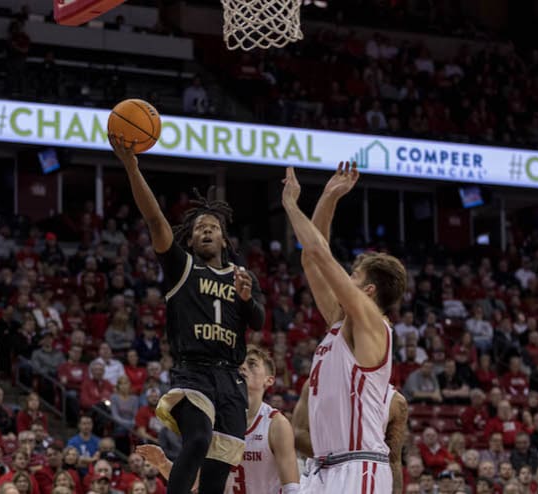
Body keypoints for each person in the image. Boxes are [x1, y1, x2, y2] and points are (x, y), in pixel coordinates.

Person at [109, 135, 265, 494]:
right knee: (197, 439)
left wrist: (245, 300)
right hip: (193, 371)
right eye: (198, 229)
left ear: (225, 239)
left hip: (231, 380)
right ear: (191, 241)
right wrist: (133, 167)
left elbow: (257, 322)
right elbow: (154, 218)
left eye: (212, 227)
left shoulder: (243, 278)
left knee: (214, 478)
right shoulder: (182, 267)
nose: (206, 230)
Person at [282, 164, 407, 493]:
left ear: (368, 292)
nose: (346, 281)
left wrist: (292, 206)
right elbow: (311, 259)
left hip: (358, 466)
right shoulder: (341, 323)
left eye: (354, 277)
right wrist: (328, 197)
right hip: (324, 467)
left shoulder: (372, 324)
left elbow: (321, 256)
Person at [138, 345, 300, 493]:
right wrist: (162, 464)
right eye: (240, 364)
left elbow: (291, 488)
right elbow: (195, 482)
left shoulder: (276, 424)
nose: (243, 367)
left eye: (252, 364)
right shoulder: (216, 420)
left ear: (269, 380)